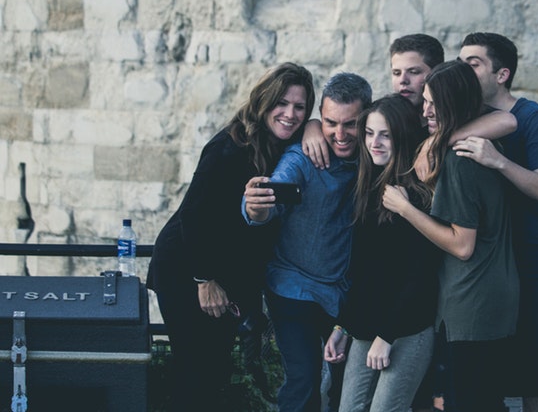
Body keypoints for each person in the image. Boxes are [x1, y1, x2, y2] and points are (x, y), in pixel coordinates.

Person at [147, 62, 315, 412]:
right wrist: (204, 279)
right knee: (197, 371)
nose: (290, 114)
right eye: (282, 103)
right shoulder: (229, 146)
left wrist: (313, 127)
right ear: (264, 102)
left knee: (215, 371)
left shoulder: (281, 144)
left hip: (225, 276)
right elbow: (193, 214)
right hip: (188, 271)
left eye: (300, 107)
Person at [455, 32, 538, 412]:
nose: (464, 69)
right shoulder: (473, 120)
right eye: (460, 61)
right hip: (505, 274)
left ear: (502, 74)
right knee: (530, 383)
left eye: (473, 63)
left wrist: (498, 161)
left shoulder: (532, 116)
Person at [383, 60, 519, 412]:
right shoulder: (476, 147)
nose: (425, 110)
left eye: (433, 103)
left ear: (454, 104)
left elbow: (462, 245)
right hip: (485, 298)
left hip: (472, 301)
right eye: (425, 101)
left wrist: (405, 208)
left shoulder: (461, 160)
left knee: (470, 403)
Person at [242, 72, 372, 412]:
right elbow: (275, 193)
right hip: (293, 284)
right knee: (303, 378)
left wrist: (315, 123)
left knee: (348, 383)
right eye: (330, 123)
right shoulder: (302, 156)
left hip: (346, 293)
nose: (339, 135)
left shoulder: (375, 156)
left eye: (351, 125)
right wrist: (256, 209)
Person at [323, 94, 440, 412]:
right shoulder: (365, 185)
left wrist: (387, 336)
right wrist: (341, 327)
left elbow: (421, 274)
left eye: (385, 134)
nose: (374, 142)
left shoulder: (414, 193)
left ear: (402, 135)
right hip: (367, 326)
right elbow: (363, 270)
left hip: (408, 327)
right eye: (370, 133)